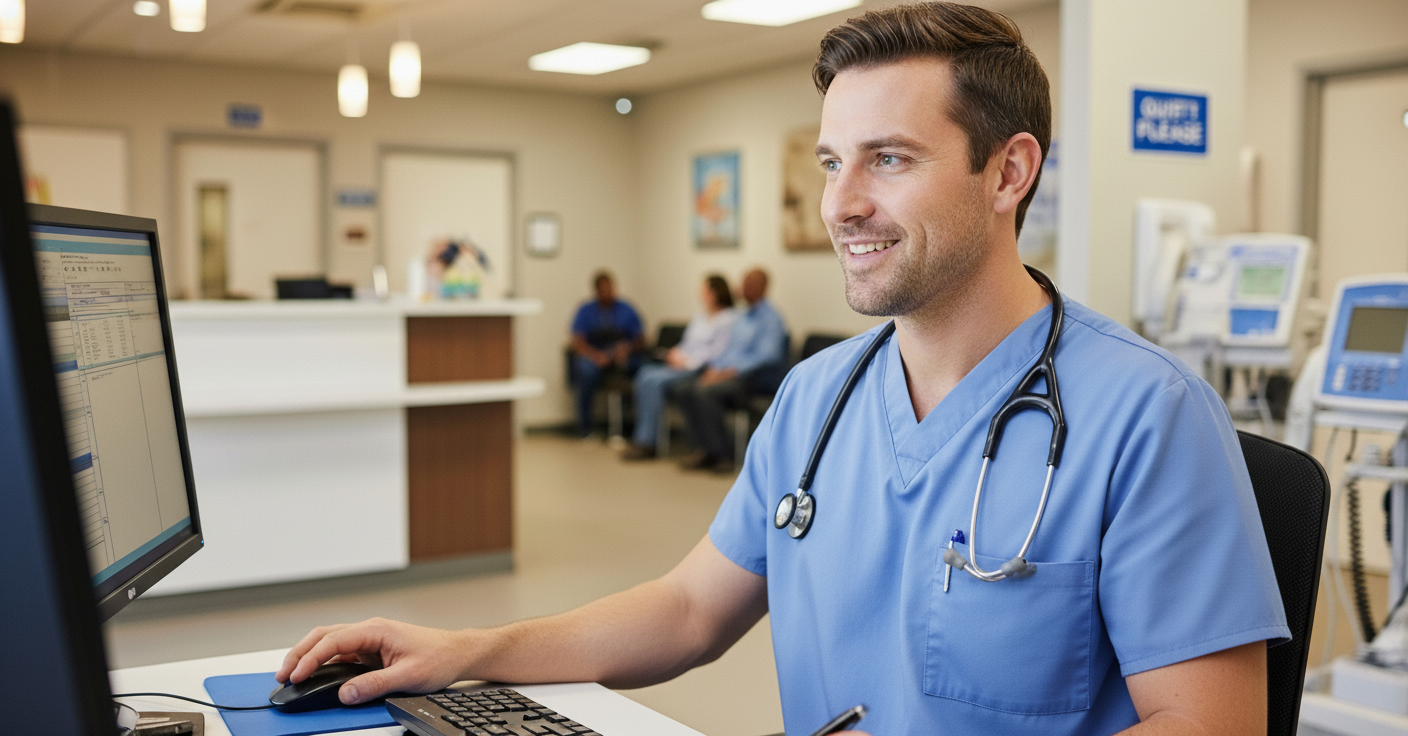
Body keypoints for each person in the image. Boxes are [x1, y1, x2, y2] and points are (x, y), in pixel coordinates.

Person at [275, 5, 1288, 735]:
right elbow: (687, 610)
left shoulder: (1147, 418)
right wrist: (466, 650)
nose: (839, 203)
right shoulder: (817, 397)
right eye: (829, 162)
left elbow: (1213, 724)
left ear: (1008, 172)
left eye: (886, 159)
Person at [670, 268, 788, 471]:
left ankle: (722, 454)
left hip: (754, 378)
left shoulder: (770, 318)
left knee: (704, 392)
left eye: (751, 284)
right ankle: (703, 449)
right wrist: (714, 370)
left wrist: (727, 372)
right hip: (728, 372)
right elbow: (728, 350)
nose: (745, 288)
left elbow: (766, 356)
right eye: (744, 283)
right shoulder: (741, 316)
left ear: (763, 288)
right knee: (684, 389)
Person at [620, 274, 737, 461]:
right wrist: (674, 354)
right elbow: (687, 343)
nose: (701, 294)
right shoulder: (701, 316)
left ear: (715, 293)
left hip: (699, 367)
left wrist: (687, 361)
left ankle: (647, 441)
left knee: (653, 380)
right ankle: (643, 437)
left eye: (704, 290)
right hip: (682, 363)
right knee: (644, 373)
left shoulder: (728, 319)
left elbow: (717, 352)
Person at [568, 271, 645, 439]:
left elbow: (641, 339)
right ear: (596, 291)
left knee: (643, 371)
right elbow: (576, 341)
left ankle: (636, 428)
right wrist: (595, 356)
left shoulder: (627, 309)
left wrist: (627, 349)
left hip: (623, 356)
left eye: (610, 288)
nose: (608, 292)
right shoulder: (585, 310)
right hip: (594, 357)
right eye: (603, 289)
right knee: (585, 370)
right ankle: (586, 429)